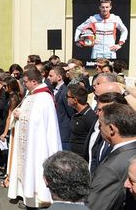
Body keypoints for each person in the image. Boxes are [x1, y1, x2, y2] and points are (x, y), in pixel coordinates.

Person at [7, 68, 62, 208]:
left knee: (35, 168)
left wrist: (21, 115)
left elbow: (39, 121)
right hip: (27, 142)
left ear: (34, 81)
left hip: (38, 145)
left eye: (26, 82)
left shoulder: (44, 97)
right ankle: (26, 196)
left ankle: (37, 199)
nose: (24, 84)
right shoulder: (32, 94)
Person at [88, 103, 136, 210]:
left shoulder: (111, 168)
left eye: (100, 125)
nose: (99, 129)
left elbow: (96, 206)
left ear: (111, 129)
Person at [66, 84, 97, 159]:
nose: (66, 98)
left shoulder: (90, 117)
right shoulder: (76, 113)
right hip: (73, 157)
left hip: (82, 160)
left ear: (75, 100)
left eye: (67, 97)